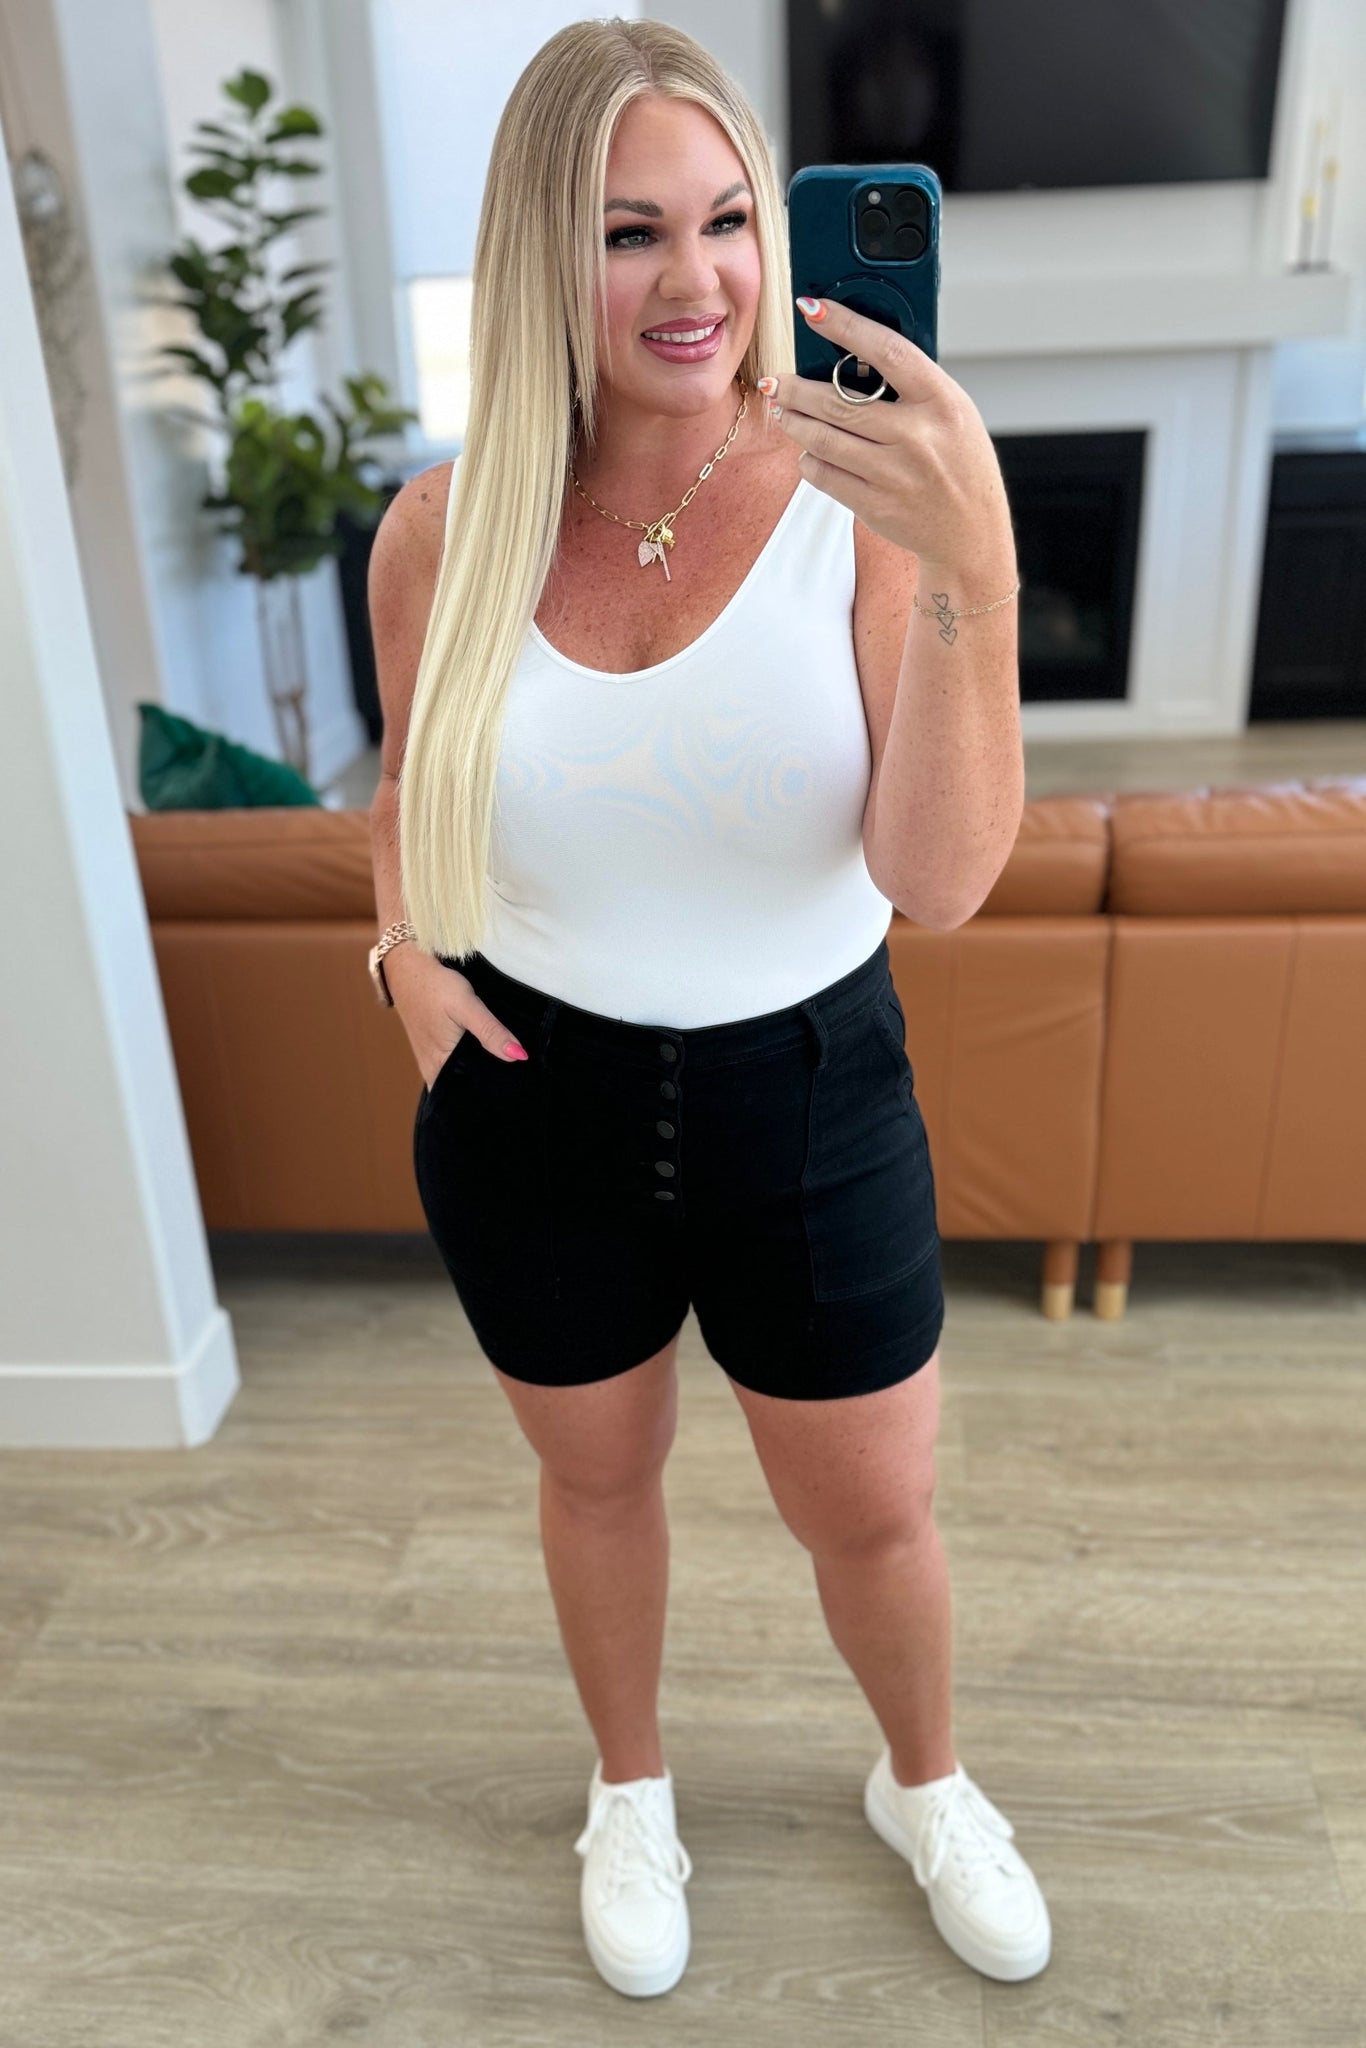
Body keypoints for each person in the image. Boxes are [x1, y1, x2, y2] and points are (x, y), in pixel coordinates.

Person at [366, 16, 1045, 2004]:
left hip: (808, 1089)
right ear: (538, 258)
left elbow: (936, 878)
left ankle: (923, 1782)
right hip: (534, 1095)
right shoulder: (442, 530)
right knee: (593, 1480)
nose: (697, 281)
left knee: (874, 1515)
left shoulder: (855, 498)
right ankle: (630, 1788)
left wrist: (970, 570)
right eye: (627, 232)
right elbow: (405, 795)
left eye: (729, 220)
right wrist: (402, 959)